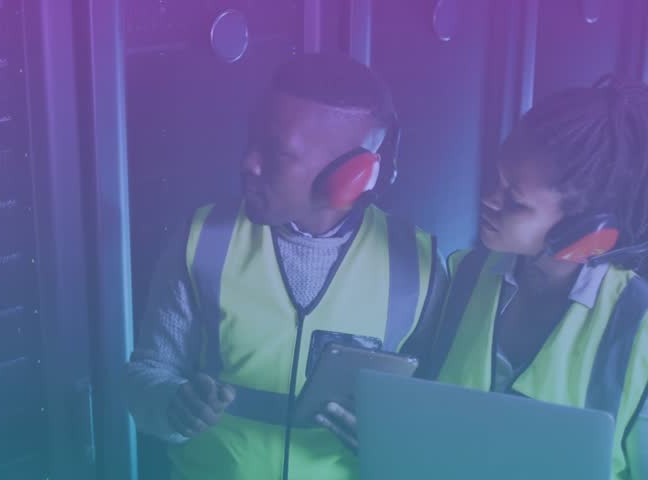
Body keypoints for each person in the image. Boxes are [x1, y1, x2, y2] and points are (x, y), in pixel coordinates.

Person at [126, 53, 447, 480]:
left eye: (276, 154)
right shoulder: (201, 238)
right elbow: (146, 374)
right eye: (252, 141)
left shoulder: (417, 263)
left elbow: (438, 419)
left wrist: (397, 437)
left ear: (349, 175)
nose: (249, 163)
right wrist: (173, 404)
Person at [428, 77, 648, 479]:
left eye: (515, 199)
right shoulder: (462, 276)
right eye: (497, 178)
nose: (489, 199)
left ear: (587, 226)